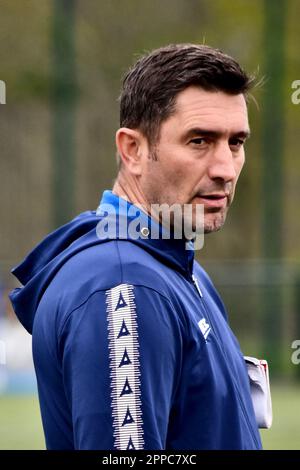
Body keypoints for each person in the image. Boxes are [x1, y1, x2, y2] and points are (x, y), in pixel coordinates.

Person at [9, 44, 262, 450]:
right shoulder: (125, 283)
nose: (225, 169)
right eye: (199, 141)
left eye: (235, 142)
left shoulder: (175, 266)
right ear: (133, 150)